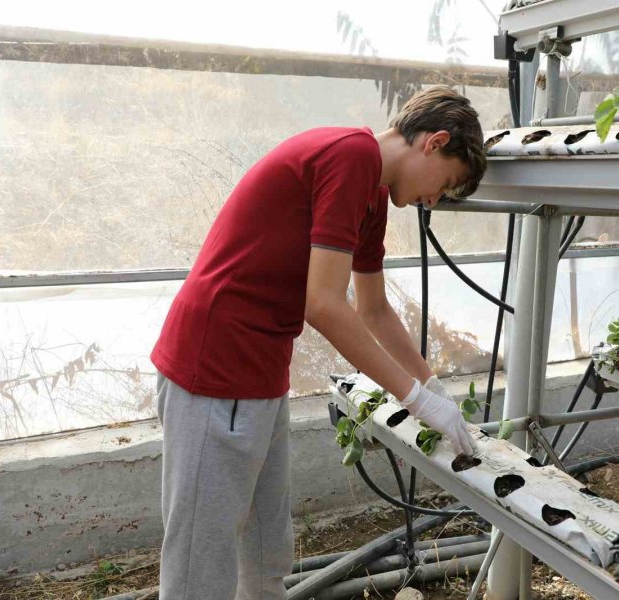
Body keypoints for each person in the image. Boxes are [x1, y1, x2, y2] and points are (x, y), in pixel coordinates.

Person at [150, 85, 487, 600]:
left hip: (262, 370)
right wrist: (414, 399)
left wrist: (432, 386)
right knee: (202, 565)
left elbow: (374, 309)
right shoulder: (350, 156)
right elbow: (324, 304)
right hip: (215, 368)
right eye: (444, 184)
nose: (433, 199)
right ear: (434, 142)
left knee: (266, 553)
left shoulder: (373, 193)